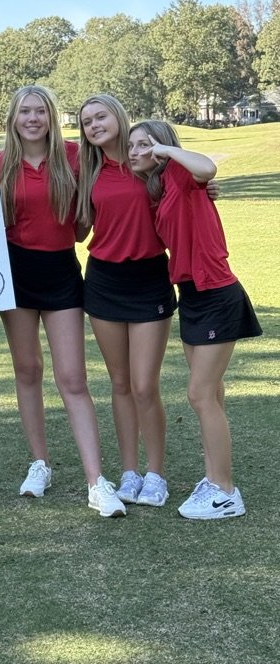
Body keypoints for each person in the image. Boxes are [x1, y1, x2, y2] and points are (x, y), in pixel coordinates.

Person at [0, 86, 126, 517]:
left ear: (51, 117)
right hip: (13, 274)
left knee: (72, 378)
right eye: (24, 111)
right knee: (27, 370)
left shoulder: (75, 156)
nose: (33, 118)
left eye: (40, 112)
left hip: (61, 274)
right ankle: (40, 463)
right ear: (13, 118)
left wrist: (202, 186)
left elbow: (123, 178)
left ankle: (96, 481)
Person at [128, 120, 262, 520]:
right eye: (131, 145)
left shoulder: (182, 173)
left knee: (200, 394)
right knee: (212, 393)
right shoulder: (162, 187)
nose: (134, 151)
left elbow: (208, 169)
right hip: (192, 294)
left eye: (142, 144)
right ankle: (213, 478)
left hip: (216, 291)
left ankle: (225, 492)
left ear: (161, 146)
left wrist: (167, 152)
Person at [76, 94, 176, 508]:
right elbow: (78, 225)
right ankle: (130, 471)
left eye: (101, 117)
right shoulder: (88, 169)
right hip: (103, 282)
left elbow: (191, 189)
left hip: (150, 279)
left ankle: (156, 474)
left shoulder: (151, 163)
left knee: (143, 385)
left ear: (118, 115)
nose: (95, 125)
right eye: (86, 122)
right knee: (119, 384)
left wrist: (210, 189)